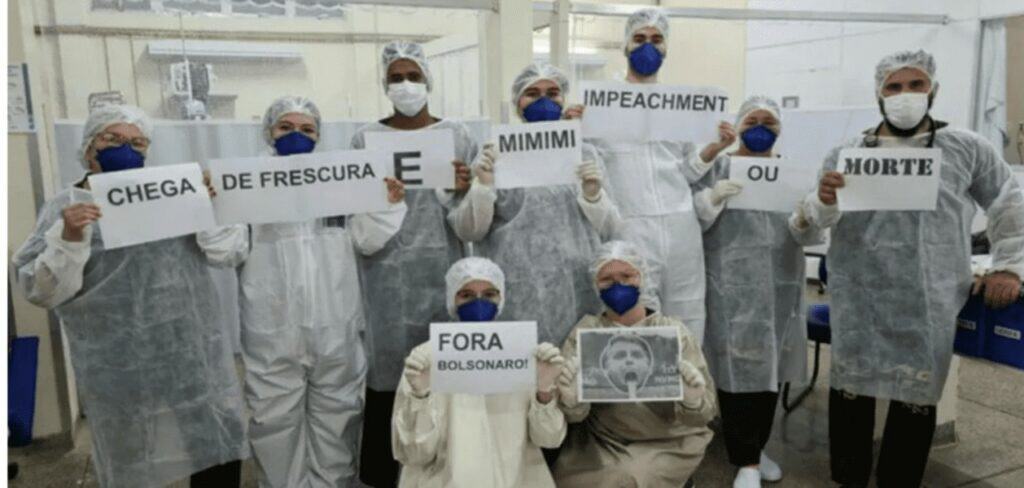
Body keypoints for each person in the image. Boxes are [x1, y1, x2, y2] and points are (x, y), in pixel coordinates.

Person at [803, 50, 1024, 488]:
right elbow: (816, 219)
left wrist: (1009, 266)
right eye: (894, 86)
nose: (905, 95)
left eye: (915, 85)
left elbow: (1007, 203)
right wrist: (823, 200)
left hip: (928, 298)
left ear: (933, 90)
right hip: (859, 296)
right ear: (879, 94)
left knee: (916, 399)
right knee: (851, 393)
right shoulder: (847, 153)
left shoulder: (965, 149)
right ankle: (848, 479)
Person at [11, 104, 247, 488]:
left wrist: (211, 209)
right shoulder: (66, 207)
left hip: (188, 347)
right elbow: (40, 289)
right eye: (113, 139)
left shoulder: (170, 193)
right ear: (90, 148)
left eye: (137, 142)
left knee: (214, 437)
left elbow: (229, 253)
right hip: (114, 358)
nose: (126, 149)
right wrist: (69, 237)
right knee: (128, 452)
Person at [199, 96, 407, 487]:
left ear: (319, 136)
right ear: (269, 132)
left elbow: (366, 239)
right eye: (286, 127)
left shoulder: (340, 181)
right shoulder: (247, 183)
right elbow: (226, 251)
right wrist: (211, 208)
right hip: (272, 328)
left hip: (336, 325)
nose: (297, 135)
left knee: (339, 418)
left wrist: (388, 204)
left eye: (307, 129)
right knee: (274, 423)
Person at [350, 40, 480, 487]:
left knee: (442, 372)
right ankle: (385, 475)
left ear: (428, 80)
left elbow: (472, 212)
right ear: (384, 84)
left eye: (413, 76)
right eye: (396, 77)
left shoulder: (458, 136)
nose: (405, 84)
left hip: (443, 269)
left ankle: (443, 469)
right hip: (383, 276)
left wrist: (464, 188)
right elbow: (358, 215)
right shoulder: (365, 139)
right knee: (389, 375)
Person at [582, 8, 737, 344]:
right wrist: (573, 124)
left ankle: (690, 379)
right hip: (629, 226)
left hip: (682, 229)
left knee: (688, 315)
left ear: (666, 48)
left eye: (656, 39)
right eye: (639, 38)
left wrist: (714, 148)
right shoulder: (601, 107)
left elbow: (687, 171)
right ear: (625, 46)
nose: (647, 47)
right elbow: (588, 169)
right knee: (635, 318)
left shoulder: (678, 106)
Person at [692, 96, 825, 488]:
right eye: (752, 120)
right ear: (738, 125)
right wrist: (712, 198)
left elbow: (810, 235)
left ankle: (756, 448)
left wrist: (807, 218)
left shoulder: (791, 174)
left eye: (769, 121)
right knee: (734, 370)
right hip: (728, 287)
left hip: (780, 287)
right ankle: (743, 457)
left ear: (780, 129)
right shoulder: (717, 168)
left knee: (771, 370)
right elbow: (693, 222)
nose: (761, 128)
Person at [448, 61, 620, 347]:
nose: (543, 101)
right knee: (524, 366)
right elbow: (470, 232)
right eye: (532, 93)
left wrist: (593, 196)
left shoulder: (585, 153)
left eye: (552, 93)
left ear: (563, 99)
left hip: (578, 285)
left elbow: (612, 228)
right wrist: (483, 186)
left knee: (574, 364)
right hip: (517, 288)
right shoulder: (495, 153)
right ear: (518, 103)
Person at [392, 257, 567, 487]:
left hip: (517, 478)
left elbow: (550, 439)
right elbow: (414, 454)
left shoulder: (524, 355)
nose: (479, 303)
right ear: (452, 299)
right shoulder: (426, 359)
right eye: (466, 295)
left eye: (489, 294)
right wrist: (420, 397)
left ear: (501, 298)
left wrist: (544, 392)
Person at [553, 240, 716, 487]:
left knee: (628, 479)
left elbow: (705, 412)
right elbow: (571, 417)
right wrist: (572, 401)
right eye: (606, 279)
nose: (618, 285)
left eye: (626, 276)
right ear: (595, 284)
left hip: (669, 439)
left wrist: (693, 402)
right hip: (604, 439)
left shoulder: (672, 333)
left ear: (642, 278)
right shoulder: (586, 334)